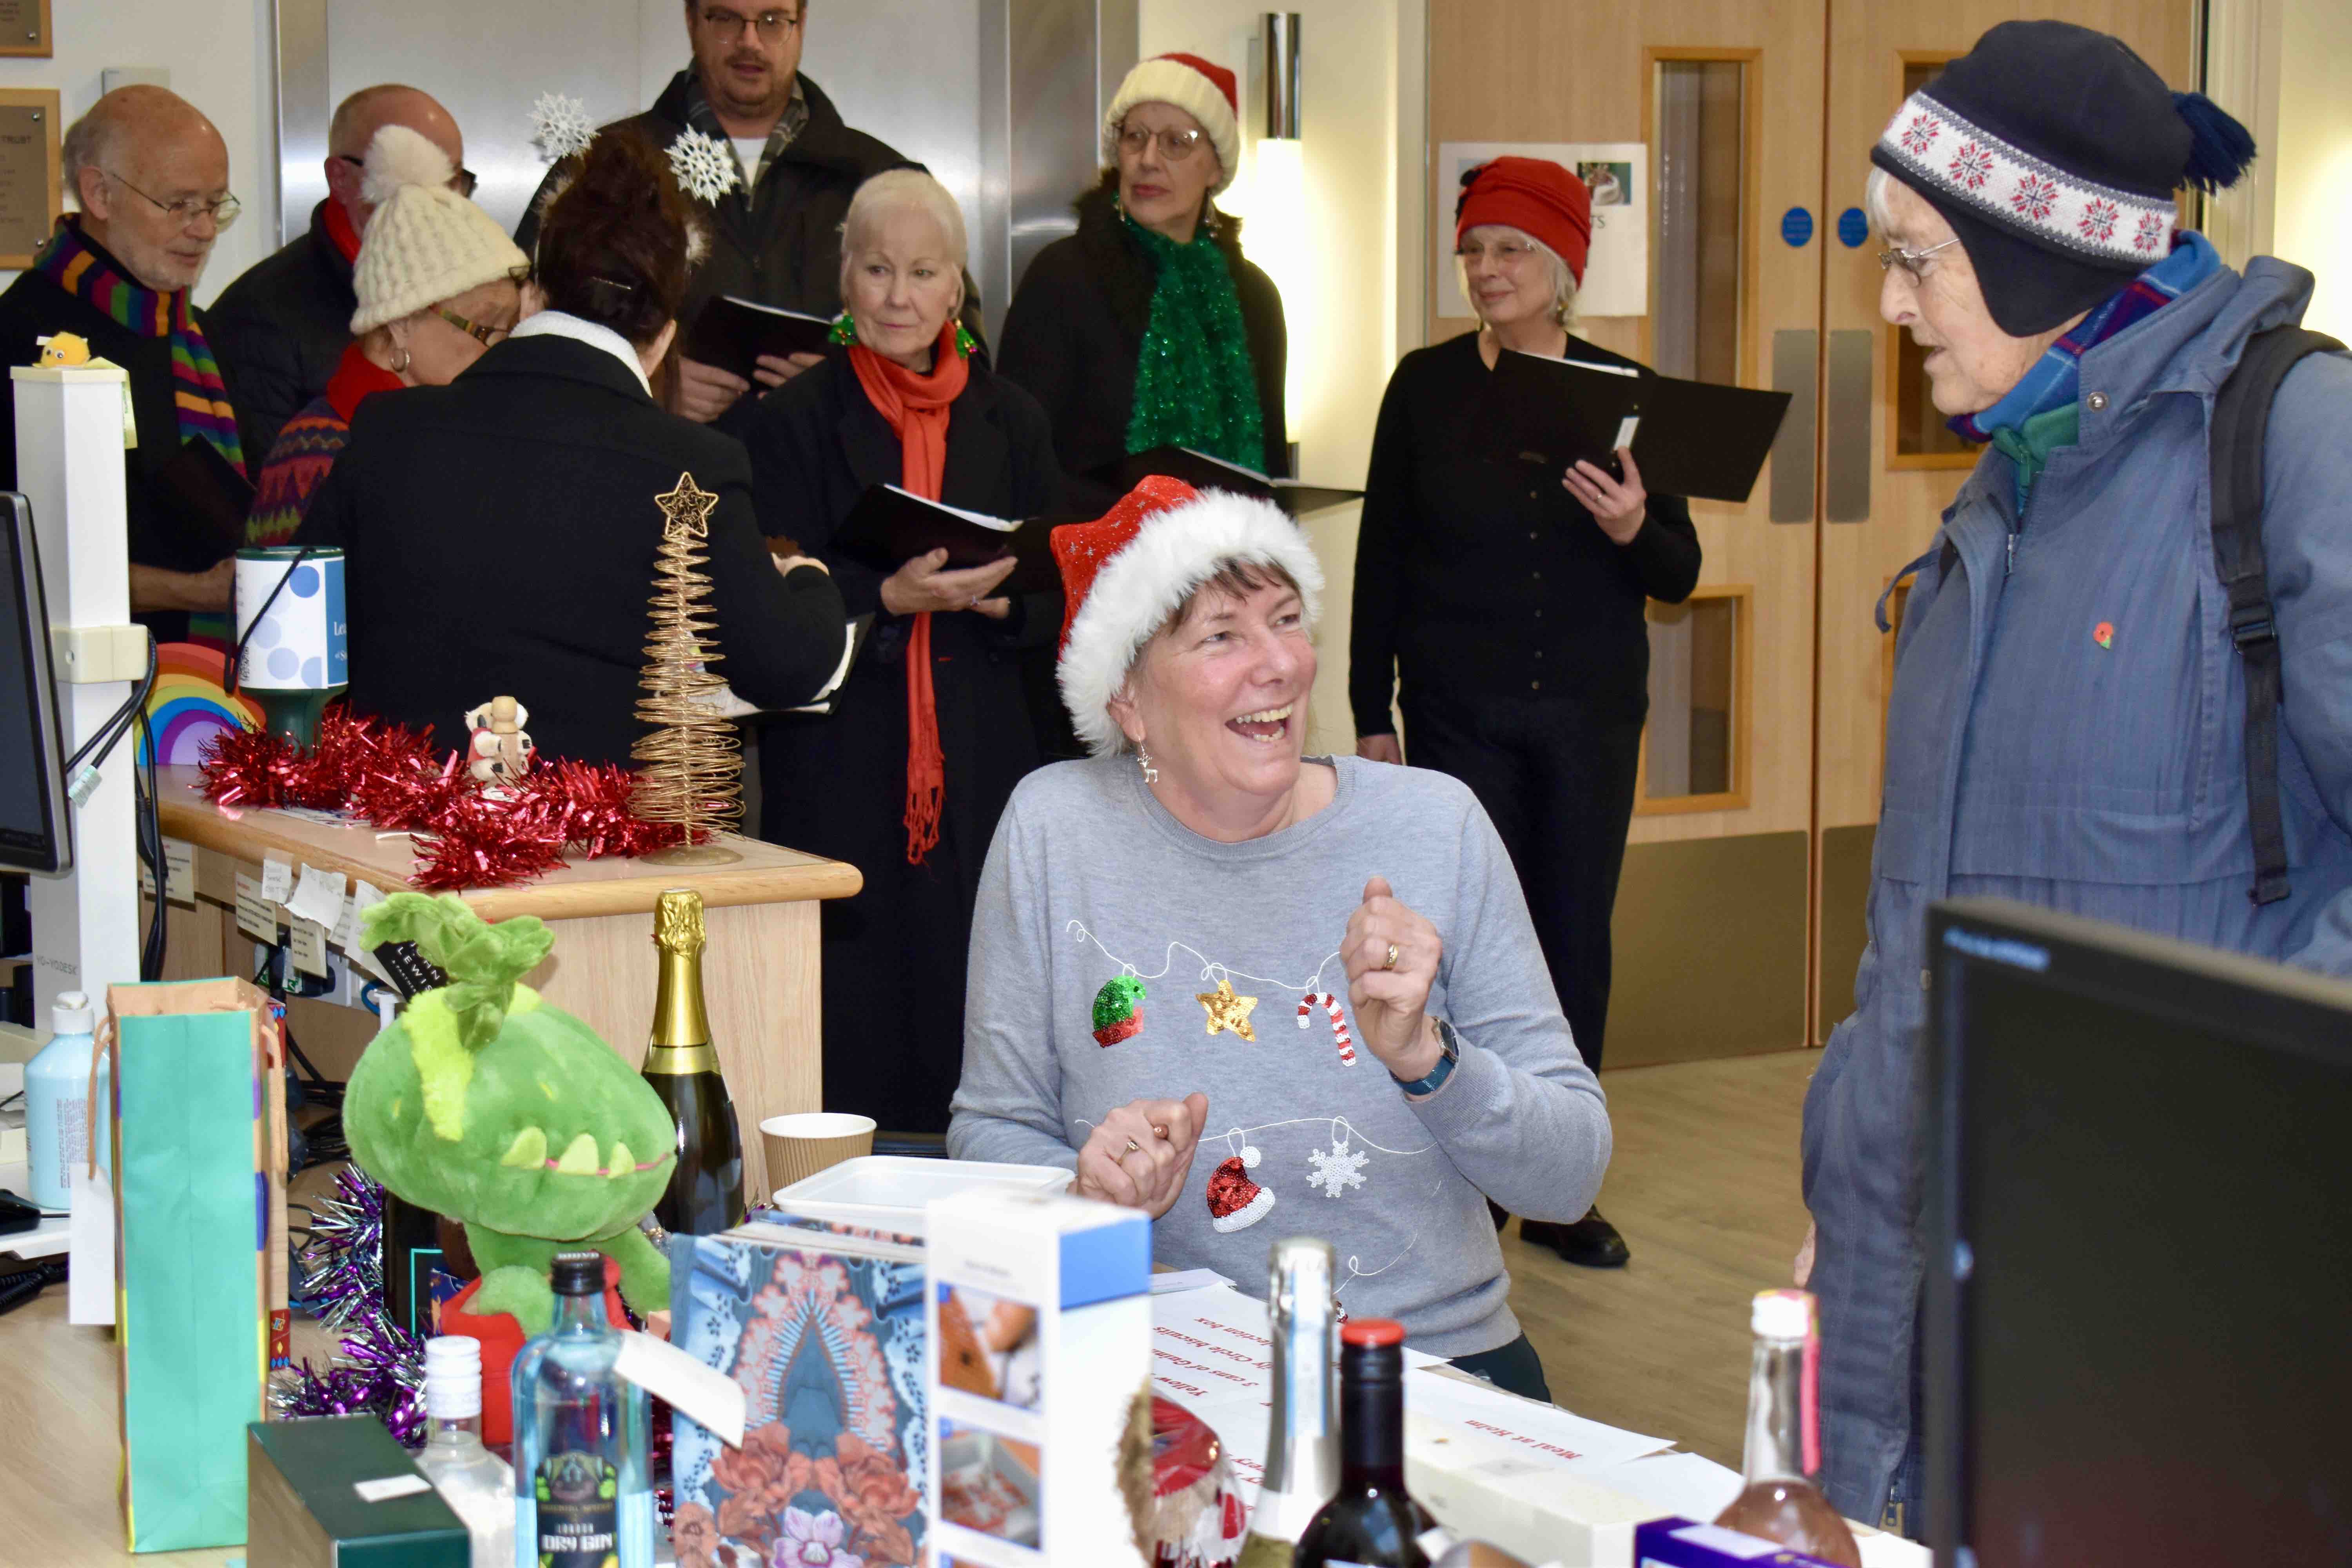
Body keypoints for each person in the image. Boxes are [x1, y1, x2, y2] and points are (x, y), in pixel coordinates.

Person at [1802, 21, 2352, 1535]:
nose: (1887, 301)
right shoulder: (2007, 486)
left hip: (2174, 1308)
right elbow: (1921, 917)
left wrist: (2235, 1115)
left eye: (1918, 258)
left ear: (2041, 253)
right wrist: (1848, 1198)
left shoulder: (2293, 443)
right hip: (1917, 1284)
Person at [949, 477, 1612, 1402]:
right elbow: (992, 1128)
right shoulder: (1056, 828)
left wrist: (1429, 1058)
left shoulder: (1435, 825)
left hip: (1422, 1369)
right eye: (1222, 634)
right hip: (1152, 1366)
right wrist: (1085, 1193)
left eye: (1287, 619)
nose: (1281, 664)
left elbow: (1571, 1175)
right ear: (1128, 699)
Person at [1349, 156, 1700, 1271]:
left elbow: (1680, 573)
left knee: (1571, 945)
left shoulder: (1629, 392)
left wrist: (1633, 524)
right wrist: (1371, 707)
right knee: (1460, 953)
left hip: (1590, 716)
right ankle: (1473, 1168)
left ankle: (1562, 1186)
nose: (1486, 270)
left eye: (1510, 252)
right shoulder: (1424, 385)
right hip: (1458, 714)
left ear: (1562, 270)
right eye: (1474, 251)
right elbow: (1382, 559)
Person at [297, 130, 847, 765]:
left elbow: (294, 626)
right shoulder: (692, 467)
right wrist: (811, 582)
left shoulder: (390, 426)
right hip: (590, 851)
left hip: (400, 839)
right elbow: (782, 668)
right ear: (664, 338)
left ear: (537, 296)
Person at [738, 169, 1062, 1135]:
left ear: (956, 289)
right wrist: (884, 596)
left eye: (923, 273)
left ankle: (985, 1156)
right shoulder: (789, 422)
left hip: (983, 745)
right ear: (844, 278)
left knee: (980, 973)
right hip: (846, 748)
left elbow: (1063, 591)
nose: (897, 296)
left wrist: (1003, 598)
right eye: (877, 269)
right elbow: (764, 592)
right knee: (853, 988)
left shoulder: (1016, 420)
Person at [516, 0, 978, 425]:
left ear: (801, 26)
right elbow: (524, 335)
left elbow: (968, 352)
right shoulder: (605, 170)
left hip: (838, 496)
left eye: (774, 20)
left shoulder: (881, 179)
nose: (750, 42)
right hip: (658, 488)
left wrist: (860, 381)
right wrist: (647, 381)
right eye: (726, 18)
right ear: (692, 21)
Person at [0, 86, 247, 644]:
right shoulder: (20, 337)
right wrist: (198, 592)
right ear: (100, 194)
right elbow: (24, 560)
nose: (204, 228)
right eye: (180, 204)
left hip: (214, 685)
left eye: (214, 204)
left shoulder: (200, 335)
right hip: (80, 689)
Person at [996, 53, 1289, 517]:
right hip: (1087, 571)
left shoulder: (1254, 298)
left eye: (1177, 143)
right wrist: (1145, 518)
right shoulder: (1063, 277)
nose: (1149, 160)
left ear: (1216, 167)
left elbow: (1272, 472)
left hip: (1227, 575)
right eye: (1136, 138)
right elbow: (1016, 459)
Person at [246, 125, 525, 546]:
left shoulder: (456, 432)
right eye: (486, 328)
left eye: (512, 329)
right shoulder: (317, 454)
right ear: (401, 324)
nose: (500, 348)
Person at [210, 85, 470, 465]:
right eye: (412, 183)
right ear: (341, 178)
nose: (441, 206)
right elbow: (270, 501)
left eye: (453, 183)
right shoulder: (260, 316)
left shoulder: (469, 292)